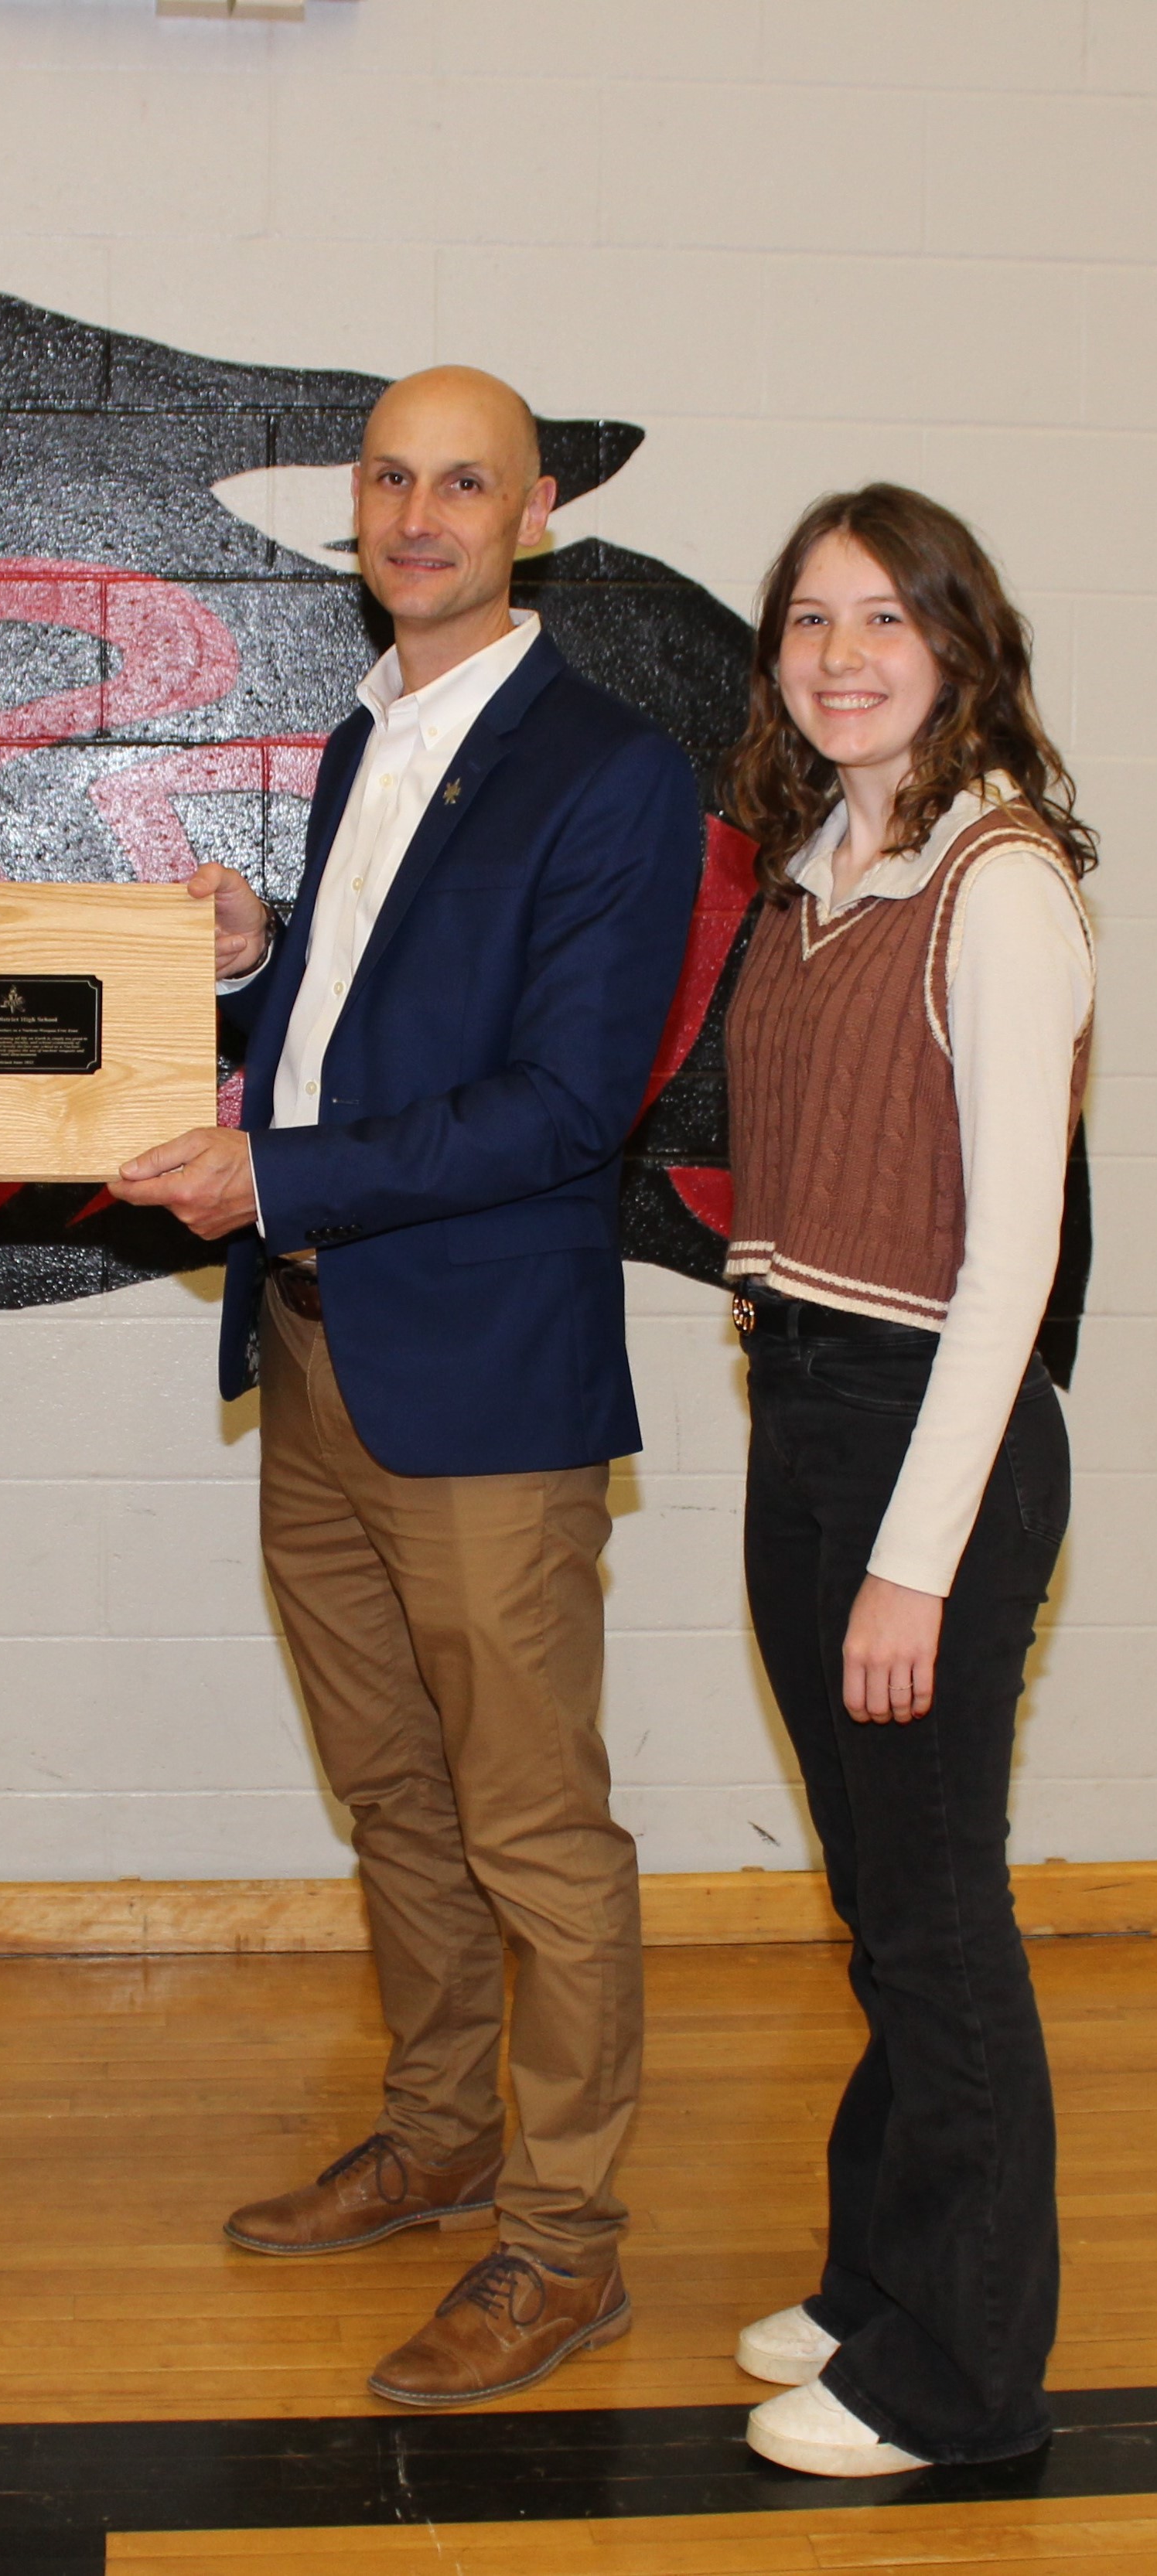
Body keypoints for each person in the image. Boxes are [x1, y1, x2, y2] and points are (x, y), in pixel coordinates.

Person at [111, 366, 701, 2407]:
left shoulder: (609, 770)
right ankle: (444, 2132)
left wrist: (267, 1165)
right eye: (390, 477)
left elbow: (555, 1107)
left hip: (475, 1386)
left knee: (535, 1829)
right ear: (355, 505)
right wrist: (265, 958)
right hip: (309, 1351)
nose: (421, 513)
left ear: (535, 511)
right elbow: (374, 1028)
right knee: (395, 1802)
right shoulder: (375, 729)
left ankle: (564, 2243)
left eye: (465, 481)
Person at [718, 485, 1096, 2475]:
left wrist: (913, 1562)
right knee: (880, 1903)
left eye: (884, 617)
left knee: (940, 1918)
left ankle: (958, 2377)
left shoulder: (1000, 882)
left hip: (924, 1439)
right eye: (808, 619)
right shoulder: (823, 865)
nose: (842, 652)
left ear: (958, 643)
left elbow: (1015, 1265)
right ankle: (883, 2276)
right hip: (807, 1403)